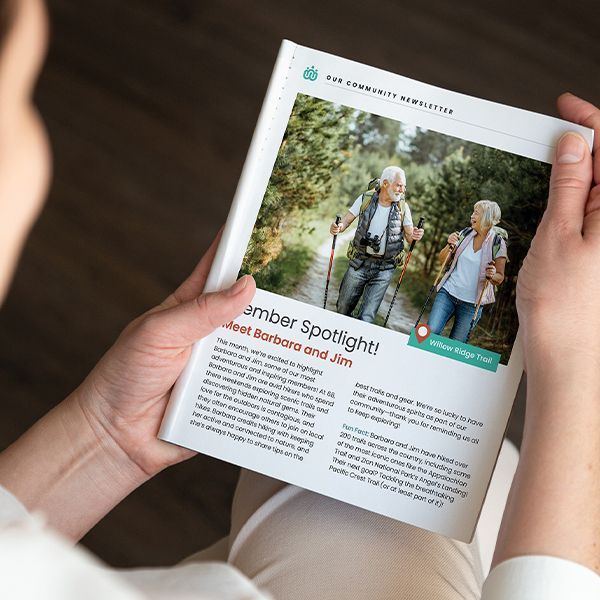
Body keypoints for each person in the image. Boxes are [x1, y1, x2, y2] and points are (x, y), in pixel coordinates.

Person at [0, 1, 599, 598]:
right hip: (369, 284)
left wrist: (108, 430)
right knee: (470, 485)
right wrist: (581, 359)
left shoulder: (432, 217)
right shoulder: (373, 199)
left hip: (386, 282)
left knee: (373, 470)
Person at [331, 166, 424, 323]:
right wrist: (337, 227)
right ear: (386, 184)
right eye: (399, 185)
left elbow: (409, 236)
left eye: (404, 186)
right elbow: (346, 220)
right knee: (342, 307)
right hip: (359, 262)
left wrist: (415, 235)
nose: (403, 190)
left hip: (385, 268)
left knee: (367, 316)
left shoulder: (403, 207)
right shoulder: (365, 199)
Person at [427, 201, 507, 342]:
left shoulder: (497, 243)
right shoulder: (465, 233)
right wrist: (449, 245)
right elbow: (442, 260)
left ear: (487, 217)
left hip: (471, 305)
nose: (471, 216)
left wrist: (492, 274)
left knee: (456, 347)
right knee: (430, 332)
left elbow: (499, 277)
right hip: (448, 293)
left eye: (476, 212)